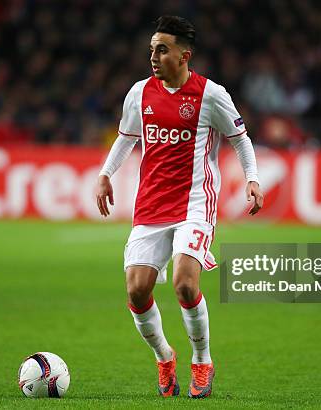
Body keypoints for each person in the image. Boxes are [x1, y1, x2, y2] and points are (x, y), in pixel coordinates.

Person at [96, 16, 263, 399]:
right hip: (151, 205)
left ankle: (202, 361)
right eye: (152, 48)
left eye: (162, 49)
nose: (153, 56)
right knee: (137, 291)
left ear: (184, 56)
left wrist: (252, 179)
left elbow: (240, 139)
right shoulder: (139, 93)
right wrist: (106, 173)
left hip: (195, 203)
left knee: (185, 284)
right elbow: (126, 137)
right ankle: (164, 355)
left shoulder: (211, 95)